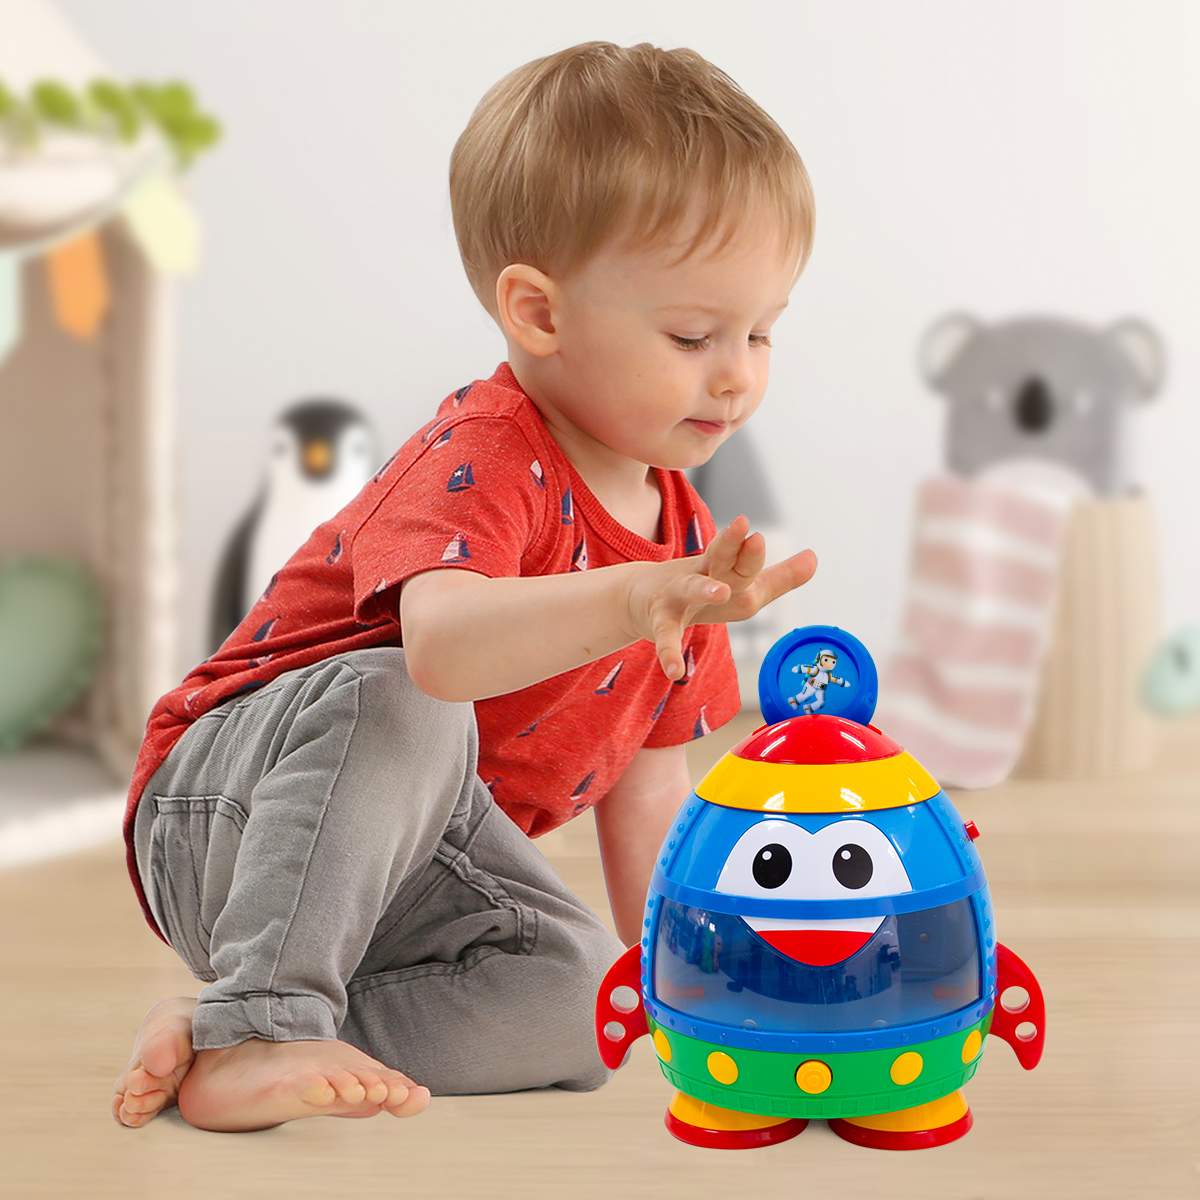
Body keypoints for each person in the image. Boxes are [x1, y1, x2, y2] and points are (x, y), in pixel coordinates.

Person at [112, 40, 817, 1133]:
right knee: (403, 693)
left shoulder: (682, 541)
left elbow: (650, 789)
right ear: (539, 313)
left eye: (762, 331)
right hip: (232, 815)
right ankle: (265, 1015)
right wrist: (632, 600)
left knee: (598, 1008)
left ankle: (235, 1034)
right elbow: (437, 654)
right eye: (693, 335)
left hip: (402, 887)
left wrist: (689, 990)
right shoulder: (485, 453)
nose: (737, 374)